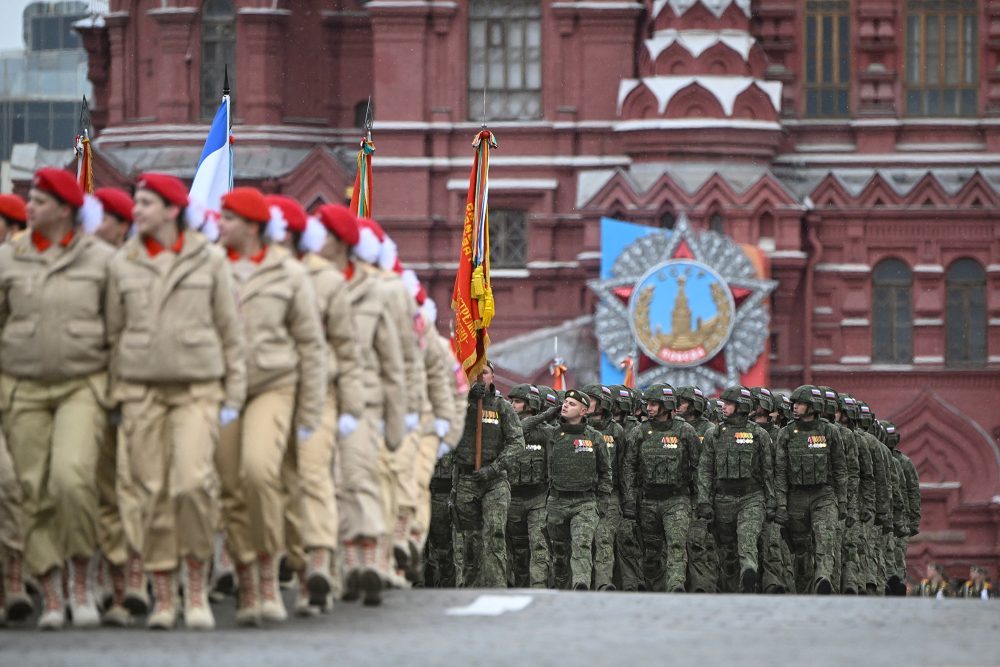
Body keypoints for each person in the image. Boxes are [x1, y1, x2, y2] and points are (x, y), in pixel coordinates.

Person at [105, 173, 246, 630]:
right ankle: (165, 596)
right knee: (152, 492)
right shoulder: (123, 262)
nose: (137, 210)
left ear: (171, 211)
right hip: (141, 392)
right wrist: (114, 394)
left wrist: (234, 396)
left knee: (191, 484)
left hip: (197, 391)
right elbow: (113, 332)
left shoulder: (209, 261)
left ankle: (198, 588)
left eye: (145, 203)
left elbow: (231, 333)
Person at [0, 168, 114, 629]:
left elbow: (119, 327)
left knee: (71, 480)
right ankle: (50, 590)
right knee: (33, 490)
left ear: (66, 210)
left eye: (42, 202)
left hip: (82, 386)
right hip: (22, 387)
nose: (30, 208)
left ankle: (81, 580)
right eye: (32, 202)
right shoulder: (9, 258)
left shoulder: (102, 260)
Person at [213, 187, 326, 626]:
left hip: (273, 387)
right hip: (224, 391)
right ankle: (246, 577)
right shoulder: (210, 267)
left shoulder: (288, 274)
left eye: (229, 218)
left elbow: (310, 346)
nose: (219, 225)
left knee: (260, 473)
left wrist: (310, 411)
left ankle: (268, 573)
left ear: (253, 226)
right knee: (230, 488)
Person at [269, 196, 365, 614]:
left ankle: (318, 566)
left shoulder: (325, 281)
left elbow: (346, 349)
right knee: (277, 484)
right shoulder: (254, 272)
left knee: (312, 477)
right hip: (270, 393)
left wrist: (350, 406)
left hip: (318, 394)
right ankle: (291, 559)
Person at [451, 361, 525, 588]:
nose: (480, 377)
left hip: (494, 481)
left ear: (493, 377)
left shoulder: (503, 407)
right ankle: (470, 588)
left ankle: (496, 586)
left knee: (494, 533)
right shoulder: (457, 405)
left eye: (484, 372)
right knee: (470, 539)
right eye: (474, 373)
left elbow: (517, 442)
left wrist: (494, 468)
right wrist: (468, 402)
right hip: (466, 480)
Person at [622, 384, 700, 592]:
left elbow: (698, 467)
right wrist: (629, 500)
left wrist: (700, 500)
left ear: (667, 405)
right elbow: (629, 468)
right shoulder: (639, 432)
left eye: (654, 404)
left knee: (676, 545)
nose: (649, 408)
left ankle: (676, 586)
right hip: (647, 501)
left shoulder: (685, 431)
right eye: (648, 404)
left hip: (677, 500)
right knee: (651, 550)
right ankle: (654, 590)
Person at [697, 385, 773, 593]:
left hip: (751, 497)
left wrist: (774, 502)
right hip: (722, 500)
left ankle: (749, 570)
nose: (723, 407)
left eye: (729, 404)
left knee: (746, 538)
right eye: (723, 403)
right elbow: (705, 469)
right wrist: (704, 501)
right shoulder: (715, 434)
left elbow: (768, 471)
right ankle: (733, 590)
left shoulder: (759, 434)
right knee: (727, 551)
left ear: (741, 407)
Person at [772, 385, 847, 594]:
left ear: (812, 406)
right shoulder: (786, 433)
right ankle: (804, 590)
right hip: (796, 498)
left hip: (823, 496)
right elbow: (780, 472)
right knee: (801, 549)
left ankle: (823, 578)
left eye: (800, 403)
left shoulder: (829, 431)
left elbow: (840, 469)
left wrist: (842, 501)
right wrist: (781, 505)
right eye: (794, 403)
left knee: (825, 539)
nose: (795, 407)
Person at [539, 389, 611, 590]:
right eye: (565, 402)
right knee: (559, 551)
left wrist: (602, 502)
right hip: (556, 502)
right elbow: (523, 428)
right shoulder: (551, 433)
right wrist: (547, 414)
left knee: (582, 545)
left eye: (571, 404)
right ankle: (562, 587)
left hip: (584, 503)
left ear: (583, 411)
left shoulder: (594, 437)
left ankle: (581, 585)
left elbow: (605, 472)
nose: (565, 405)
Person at [505, 383, 551, 588]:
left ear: (531, 403)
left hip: (537, 499)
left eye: (518, 402)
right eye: (511, 401)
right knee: (518, 548)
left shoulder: (546, 433)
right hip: (512, 498)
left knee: (539, 545)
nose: (512, 405)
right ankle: (519, 587)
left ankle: (538, 586)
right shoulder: (507, 429)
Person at [583, 384, 624, 592]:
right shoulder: (578, 428)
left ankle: (603, 583)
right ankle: (581, 583)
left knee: (604, 539)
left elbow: (626, 466)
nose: (586, 403)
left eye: (590, 399)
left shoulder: (616, 431)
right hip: (583, 495)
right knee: (582, 542)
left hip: (610, 495)